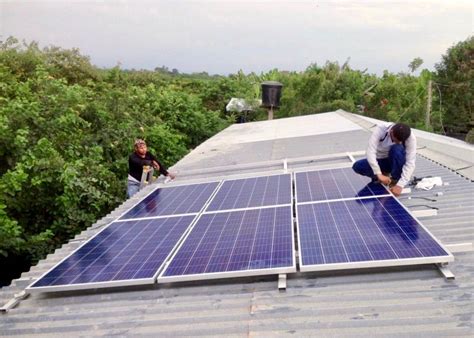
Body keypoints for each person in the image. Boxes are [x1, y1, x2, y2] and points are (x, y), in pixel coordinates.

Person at [352, 122, 416, 197]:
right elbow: (370, 152)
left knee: (397, 148)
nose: (398, 142)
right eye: (396, 140)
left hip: (395, 161)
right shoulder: (381, 129)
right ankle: (384, 176)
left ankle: (395, 180)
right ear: (391, 132)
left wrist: (400, 185)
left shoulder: (410, 138)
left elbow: (410, 162)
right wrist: (378, 173)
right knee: (358, 166)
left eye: (400, 141)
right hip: (381, 160)